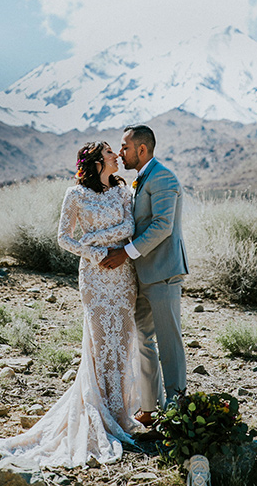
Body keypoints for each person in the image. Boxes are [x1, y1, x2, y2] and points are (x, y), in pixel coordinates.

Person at [0, 141, 144, 468]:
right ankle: (100, 412)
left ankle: (121, 413)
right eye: (111, 153)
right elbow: (64, 238)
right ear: (98, 161)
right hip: (95, 277)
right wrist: (96, 251)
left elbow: (129, 228)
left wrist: (95, 238)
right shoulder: (75, 195)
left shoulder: (124, 193)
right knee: (101, 345)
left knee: (123, 343)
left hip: (123, 276)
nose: (117, 156)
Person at [101, 124, 189, 428]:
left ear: (142, 149)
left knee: (169, 344)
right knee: (144, 341)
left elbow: (163, 226)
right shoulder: (142, 180)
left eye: (125, 147)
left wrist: (125, 253)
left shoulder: (163, 177)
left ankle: (178, 412)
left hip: (163, 274)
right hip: (142, 276)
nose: (121, 152)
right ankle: (151, 409)